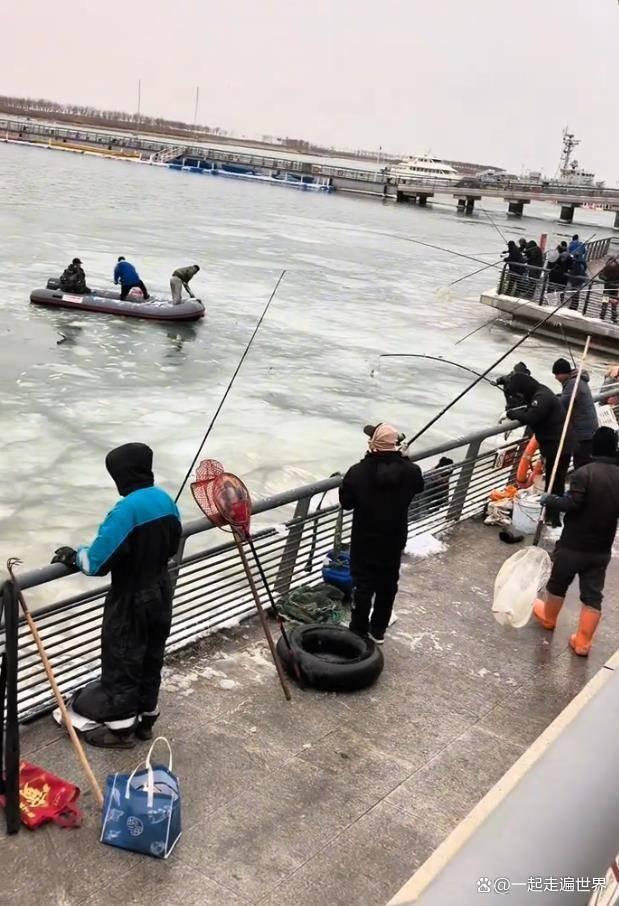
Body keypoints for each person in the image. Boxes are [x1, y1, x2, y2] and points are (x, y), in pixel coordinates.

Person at [51, 443, 181, 748]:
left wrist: (73, 556)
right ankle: (146, 718)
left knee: (123, 659)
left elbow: (96, 561)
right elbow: (173, 545)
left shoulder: (126, 509)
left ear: (123, 475)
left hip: (131, 597)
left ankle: (120, 730)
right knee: (151, 655)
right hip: (162, 590)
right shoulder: (165, 501)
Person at [533, 427, 619, 657]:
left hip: (573, 544)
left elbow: (572, 504)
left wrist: (550, 500)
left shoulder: (584, 473)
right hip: (600, 549)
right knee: (592, 594)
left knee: (558, 584)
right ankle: (583, 642)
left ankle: (549, 619)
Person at [339, 424, 424, 644]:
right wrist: (404, 460)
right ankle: (378, 631)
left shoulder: (358, 472)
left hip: (364, 540)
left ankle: (358, 629)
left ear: (372, 445)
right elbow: (419, 486)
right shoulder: (410, 472)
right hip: (394, 539)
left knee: (362, 585)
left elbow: (346, 502)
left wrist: (366, 462)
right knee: (388, 585)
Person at [504, 372, 574, 523]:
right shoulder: (540, 393)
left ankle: (552, 518)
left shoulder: (541, 396)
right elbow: (532, 412)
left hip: (559, 445)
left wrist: (513, 414)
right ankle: (551, 514)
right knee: (554, 481)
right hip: (557, 444)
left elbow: (532, 416)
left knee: (554, 482)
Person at [552, 357, 598, 468]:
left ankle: (584, 483)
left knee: (581, 463)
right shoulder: (578, 380)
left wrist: (549, 400)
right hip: (589, 429)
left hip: (583, 433)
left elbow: (562, 404)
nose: (556, 377)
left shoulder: (573, 384)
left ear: (563, 373)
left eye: (557, 374)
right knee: (586, 461)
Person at [598, 256, 619, 323]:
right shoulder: (618, 267)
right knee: (614, 304)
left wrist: (606, 280)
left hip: (607, 288)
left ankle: (602, 316)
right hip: (615, 288)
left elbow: (600, 275)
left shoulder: (607, 266)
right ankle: (613, 317)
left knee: (605, 302)